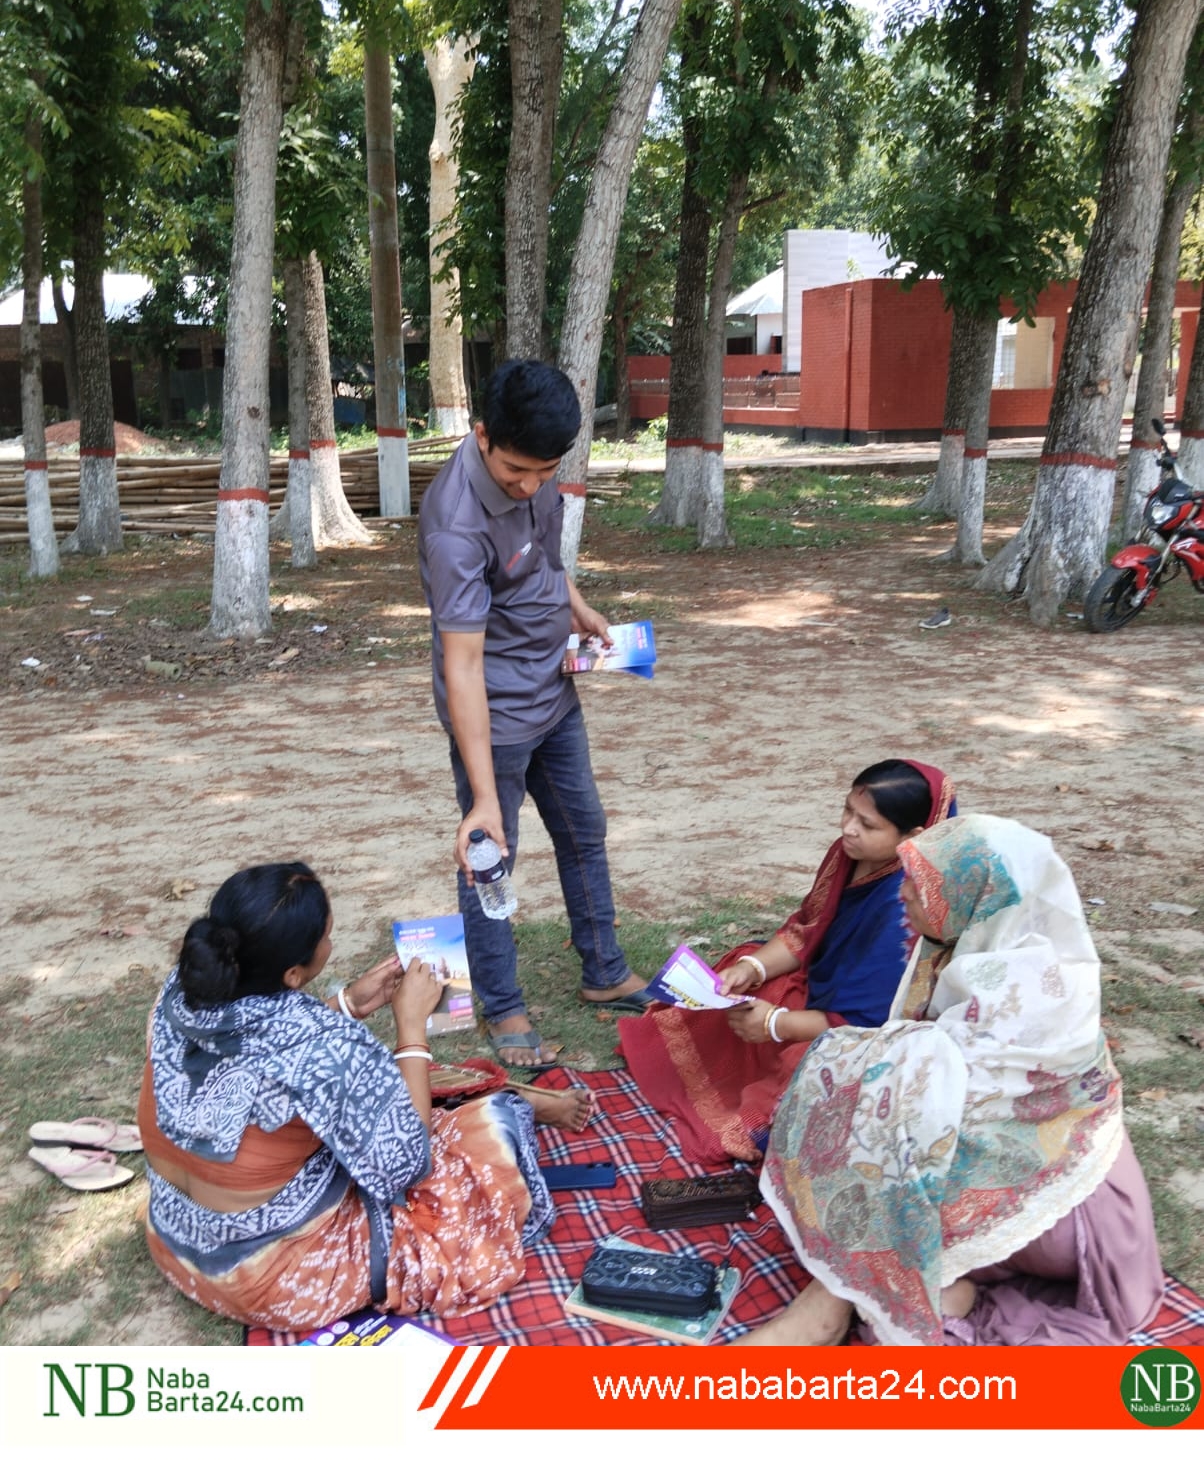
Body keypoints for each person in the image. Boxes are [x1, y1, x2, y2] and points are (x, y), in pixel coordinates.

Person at [746, 814, 1163, 1347]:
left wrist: (848, 1061)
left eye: (920, 889)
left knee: (874, 1103)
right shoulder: (973, 944)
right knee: (866, 1091)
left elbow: (951, 1101)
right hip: (1010, 1173)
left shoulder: (1034, 982)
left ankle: (825, 1311)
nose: (903, 898)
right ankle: (865, 1301)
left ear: (977, 897)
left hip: (1055, 1206)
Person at [137, 863, 586, 1333]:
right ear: (293, 973)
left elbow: (257, 1060)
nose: (332, 944)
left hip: (176, 1241)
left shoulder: (180, 993)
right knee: (492, 1124)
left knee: (395, 1095)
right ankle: (509, 1099)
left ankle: (486, 1096)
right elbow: (409, 1163)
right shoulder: (321, 1044)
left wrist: (349, 1002)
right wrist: (411, 1026)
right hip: (271, 1279)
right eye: (327, 937)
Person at [418, 359, 650, 1071]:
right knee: (490, 858)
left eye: (545, 472)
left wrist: (577, 609)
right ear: (482, 436)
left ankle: (603, 970)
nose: (530, 486)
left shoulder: (540, 475)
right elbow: (461, 665)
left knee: (585, 828)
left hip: (555, 692)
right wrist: (484, 796)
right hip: (495, 717)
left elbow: (546, 558)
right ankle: (503, 1001)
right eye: (517, 470)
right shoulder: (454, 524)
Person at [619, 759, 955, 1163]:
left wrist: (776, 1024)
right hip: (822, 995)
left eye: (867, 824)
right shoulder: (849, 853)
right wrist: (751, 970)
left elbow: (870, 1024)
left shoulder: (903, 907)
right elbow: (805, 928)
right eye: (848, 810)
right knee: (742, 970)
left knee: (808, 1066)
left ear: (914, 836)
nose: (848, 828)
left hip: (867, 1037)